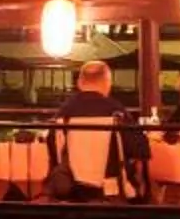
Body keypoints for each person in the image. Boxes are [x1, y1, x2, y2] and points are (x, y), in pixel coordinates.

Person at [47, 57, 143, 202]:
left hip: (72, 189)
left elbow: (53, 147)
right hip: (111, 188)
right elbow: (139, 148)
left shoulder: (64, 112)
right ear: (107, 82)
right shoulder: (116, 111)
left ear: (80, 82)